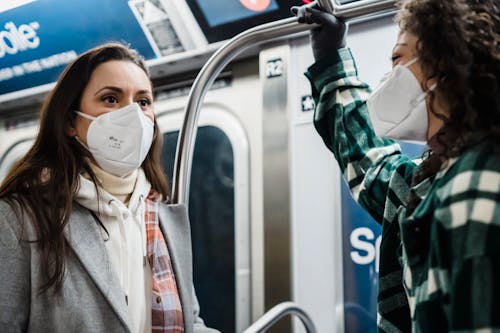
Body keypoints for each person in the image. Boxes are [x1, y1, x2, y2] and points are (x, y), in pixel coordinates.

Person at [292, 0, 500, 332]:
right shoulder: (433, 177)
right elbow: (372, 163)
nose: (389, 77)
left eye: (397, 59)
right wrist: (331, 59)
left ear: (442, 64)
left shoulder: (476, 182)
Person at [0, 42, 219, 333]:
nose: (133, 116)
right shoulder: (20, 218)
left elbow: (190, 322)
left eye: (143, 102)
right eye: (111, 99)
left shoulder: (163, 214)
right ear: (69, 121)